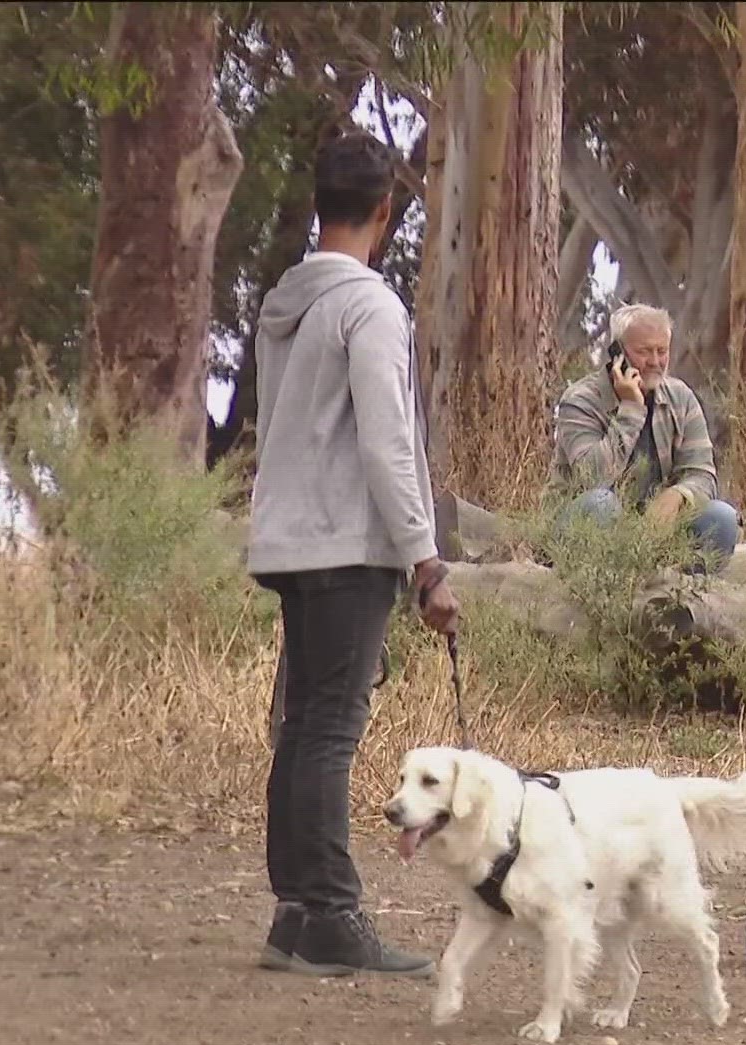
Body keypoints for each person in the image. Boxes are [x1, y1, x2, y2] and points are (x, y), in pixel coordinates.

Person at [246, 131, 461, 976]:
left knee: (304, 730)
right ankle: (332, 911)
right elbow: (387, 443)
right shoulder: (371, 307)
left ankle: (296, 912)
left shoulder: (284, 305)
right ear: (386, 211)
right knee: (332, 731)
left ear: (314, 204)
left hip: (290, 538)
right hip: (347, 541)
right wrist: (425, 558)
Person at [552, 303, 740, 567]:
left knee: (721, 516)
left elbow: (703, 474)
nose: (655, 361)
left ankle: (682, 597)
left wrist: (678, 495)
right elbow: (591, 478)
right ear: (618, 353)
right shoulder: (580, 400)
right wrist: (630, 410)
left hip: (655, 532)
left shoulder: (681, 398)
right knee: (601, 504)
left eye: (662, 351)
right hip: (590, 525)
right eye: (644, 352)